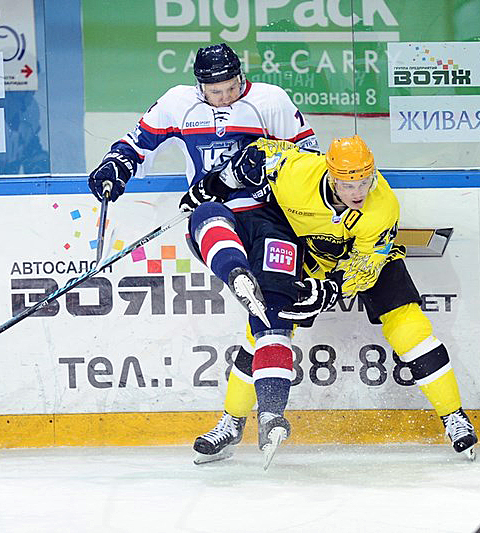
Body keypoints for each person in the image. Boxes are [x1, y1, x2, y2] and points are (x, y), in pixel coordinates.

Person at [86, 43, 319, 464]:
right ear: (199, 86)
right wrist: (115, 165)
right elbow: (136, 143)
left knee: (271, 318)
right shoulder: (177, 103)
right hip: (214, 216)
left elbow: (312, 162)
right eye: (215, 91)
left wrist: (267, 162)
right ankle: (237, 275)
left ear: (241, 76)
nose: (225, 97)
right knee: (209, 216)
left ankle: (265, 415)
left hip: (272, 219)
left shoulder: (271, 101)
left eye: (231, 87)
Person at [180, 136, 479, 463]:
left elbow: (366, 265)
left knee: (409, 328)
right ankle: (232, 421)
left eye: (365, 182)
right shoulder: (298, 174)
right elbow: (263, 153)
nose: (359, 193)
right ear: (331, 176)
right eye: (348, 185)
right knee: (264, 328)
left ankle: (454, 416)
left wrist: (332, 289)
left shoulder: (383, 206)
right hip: (310, 258)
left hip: (368, 259)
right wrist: (223, 180)